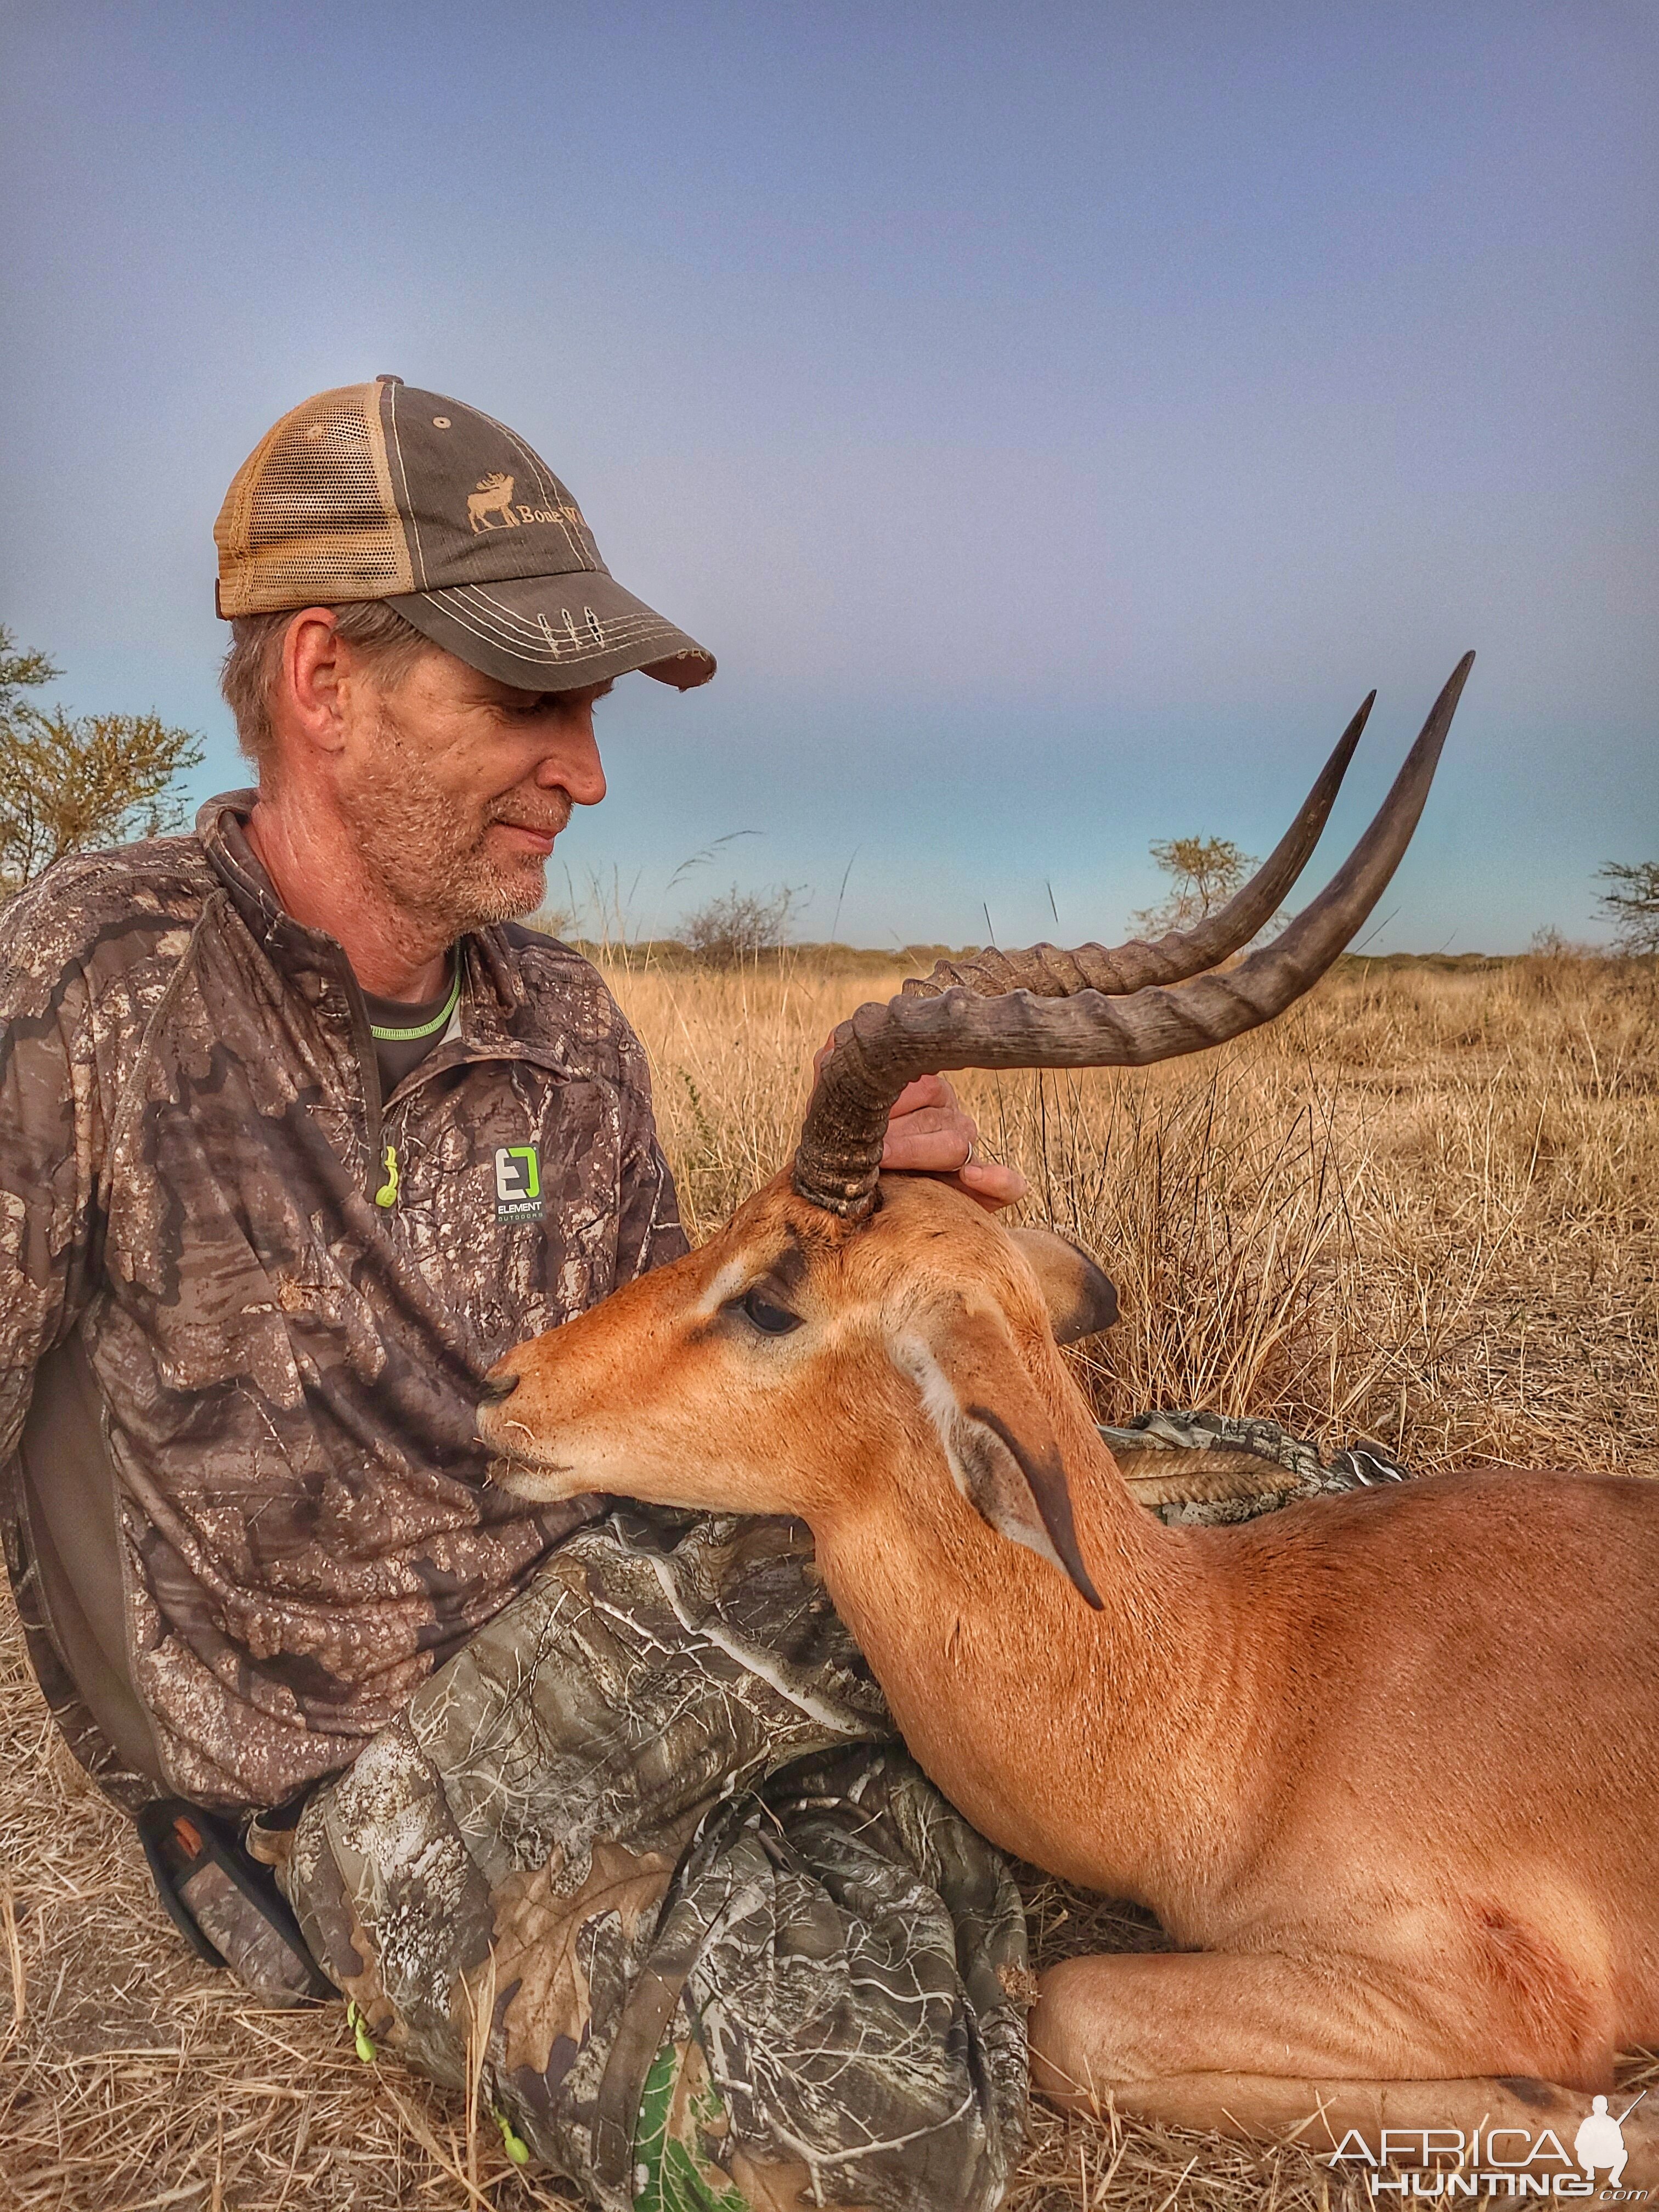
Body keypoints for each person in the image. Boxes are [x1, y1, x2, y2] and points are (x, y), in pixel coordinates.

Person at [0, 379, 1034, 2211]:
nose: (591, 768)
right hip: (357, 1774)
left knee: (1198, 1513)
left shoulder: (561, 1023)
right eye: (525, 701)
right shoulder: (89, 986)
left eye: (590, 708)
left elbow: (661, 1377)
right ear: (323, 682)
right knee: (852, 2150)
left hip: (625, 1612)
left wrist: (861, 1219)